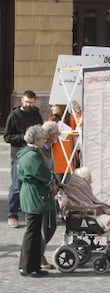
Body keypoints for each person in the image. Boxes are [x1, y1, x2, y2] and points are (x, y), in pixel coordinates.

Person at [62, 167, 110, 256]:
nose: (91, 181)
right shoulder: (77, 189)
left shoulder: (80, 187)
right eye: (89, 179)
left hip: (87, 214)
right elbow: (85, 206)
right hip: (84, 216)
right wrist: (101, 208)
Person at [18, 125, 57, 277]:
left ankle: (30, 265)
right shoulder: (33, 155)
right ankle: (29, 266)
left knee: (33, 232)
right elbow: (43, 174)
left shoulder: (27, 153)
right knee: (32, 232)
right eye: (41, 138)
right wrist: (51, 184)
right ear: (36, 140)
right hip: (35, 195)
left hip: (31, 193)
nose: (43, 140)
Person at [3, 90, 44, 228]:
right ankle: (12, 214)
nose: (29, 105)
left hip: (33, 154)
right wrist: (23, 137)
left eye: (31, 103)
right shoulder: (14, 116)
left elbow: (40, 129)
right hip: (19, 155)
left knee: (31, 185)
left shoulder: (36, 113)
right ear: (22, 101)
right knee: (16, 185)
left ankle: (29, 212)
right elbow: (7, 137)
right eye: (27, 102)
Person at [38, 121, 61, 270]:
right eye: (56, 134)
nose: (58, 137)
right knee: (43, 227)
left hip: (51, 192)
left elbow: (51, 170)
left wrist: (57, 182)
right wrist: (51, 184)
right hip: (42, 194)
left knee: (51, 226)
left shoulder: (49, 148)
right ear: (49, 135)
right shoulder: (40, 150)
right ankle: (39, 257)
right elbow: (42, 172)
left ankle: (38, 254)